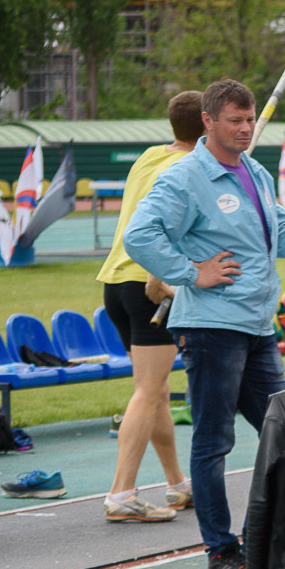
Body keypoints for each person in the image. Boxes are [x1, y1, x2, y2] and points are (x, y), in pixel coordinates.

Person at [123, 79, 285, 569]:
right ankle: (221, 551)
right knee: (214, 442)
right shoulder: (185, 176)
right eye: (233, 119)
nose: (243, 127)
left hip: (257, 328)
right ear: (208, 122)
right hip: (211, 328)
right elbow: (139, 235)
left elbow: (284, 236)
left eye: (249, 118)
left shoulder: (255, 172)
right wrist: (193, 272)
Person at [95, 90, 202, 523]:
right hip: (149, 287)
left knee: (155, 388)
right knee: (147, 390)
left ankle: (176, 483)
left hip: (116, 284)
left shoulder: (150, 156)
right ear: (210, 124)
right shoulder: (191, 168)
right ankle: (121, 493)